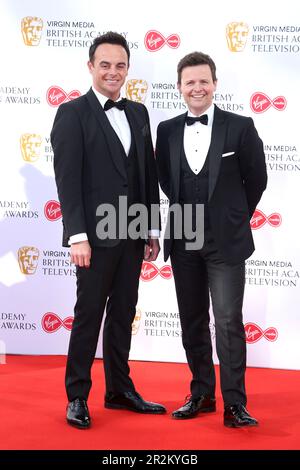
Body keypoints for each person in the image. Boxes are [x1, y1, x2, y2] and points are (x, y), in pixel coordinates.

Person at [51, 32, 166, 429]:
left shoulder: (138, 113)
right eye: (105, 64)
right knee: (88, 314)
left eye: (120, 65)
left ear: (128, 69)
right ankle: (77, 396)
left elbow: (146, 175)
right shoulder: (72, 113)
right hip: (94, 239)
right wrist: (77, 235)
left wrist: (151, 228)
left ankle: (119, 388)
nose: (113, 72)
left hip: (133, 233)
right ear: (90, 67)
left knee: (123, 313)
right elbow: (67, 180)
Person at [156, 51, 267, 427]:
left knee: (228, 320)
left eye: (204, 80)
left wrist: (233, 216)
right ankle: (202, 392)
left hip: (226, 241)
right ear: (179, 88)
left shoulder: (240, 126)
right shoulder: (167, 130)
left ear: (215, 84)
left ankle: (235, 403)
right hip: (184, 236)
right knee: (192, 320)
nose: (197, 87)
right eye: (190, 82)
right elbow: (167, 181)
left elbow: (257, 180)